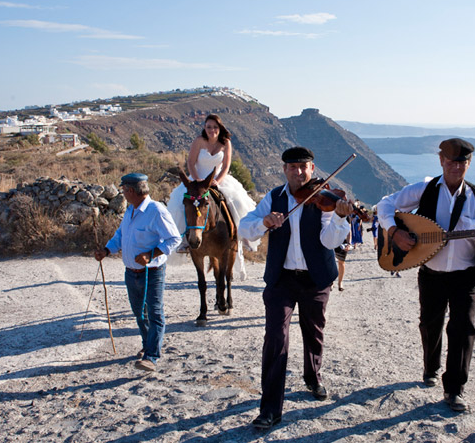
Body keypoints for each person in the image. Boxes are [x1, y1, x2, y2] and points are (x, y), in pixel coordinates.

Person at [376, 138, 475, 412]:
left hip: (465, 276)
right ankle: (430, 367)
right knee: (430, 325)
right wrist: (395, 232)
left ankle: (454, 389)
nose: (457, 167)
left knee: (463, 330)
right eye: (451, 161)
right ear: (441, 161)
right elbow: (385, 205)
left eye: (462, 162)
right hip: (431, 273)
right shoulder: (425, 190)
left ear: (469, 164)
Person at [239, 147, 353, 429]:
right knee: (275, 338)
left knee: (314, 332)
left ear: (312, 169)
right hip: (282, 279)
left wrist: (339, 218)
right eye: (292, 167)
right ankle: (269, 409)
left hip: (316, 278)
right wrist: (264, 222)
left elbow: (329, 241)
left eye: (304, 167)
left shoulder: (324, 198)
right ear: (284, 169)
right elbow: (245, 226)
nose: (298, 172)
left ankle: (313, 378)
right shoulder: (274, 197)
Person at [94, 173, 182, 372]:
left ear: (131, 190)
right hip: (131, 272)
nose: (123, 193)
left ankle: (151, 356)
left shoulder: (156, 210)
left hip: (152, 271)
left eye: (124, 190)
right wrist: (107, 250)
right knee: (139, 313)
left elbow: (174, 239)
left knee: (155, 312)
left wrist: (151, 254)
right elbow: (120, 236)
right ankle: (147, 345)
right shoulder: (130, 211)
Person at [166, 114, 258, 274]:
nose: (212, 130)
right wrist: (197, 180)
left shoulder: (226, 143)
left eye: (215, 127)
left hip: (218, 180)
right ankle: (183, 241)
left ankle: (241, 237)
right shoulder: (198, 141)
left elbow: (226, 165)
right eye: (208, 127)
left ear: (219, 128)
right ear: (204, 128)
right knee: (180, 205)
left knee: (236, 201)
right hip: (198, 179)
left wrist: (218, 180)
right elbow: (191, 163)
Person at [334, 224, 352, 292]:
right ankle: (331, 282)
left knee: (341, 262)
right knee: (330, 262)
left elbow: (349, 231)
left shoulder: (347, 216)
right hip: (331, 241)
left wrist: (349, 243)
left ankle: (340, 282)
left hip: (343, 242)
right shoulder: (331, 214)